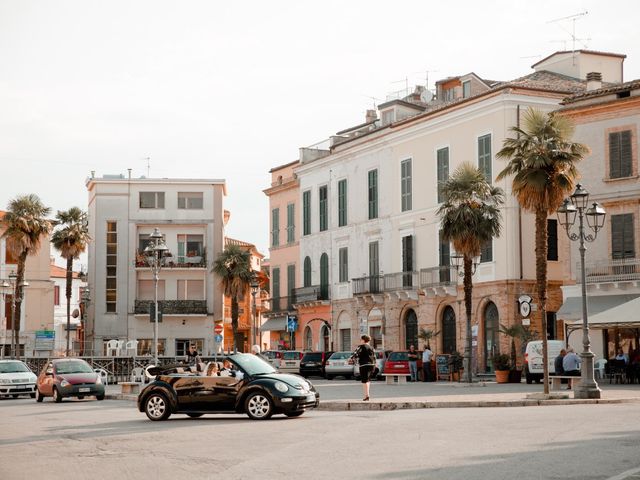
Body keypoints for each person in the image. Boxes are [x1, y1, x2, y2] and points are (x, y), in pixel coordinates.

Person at [351, 334, 376, 401]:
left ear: (363, 340)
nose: (360, 341)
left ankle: (366, 395)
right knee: (368, 380)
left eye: (361, 340)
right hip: (372, 365)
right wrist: (374, 365)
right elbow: (374, 357)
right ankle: (367, 394)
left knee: (364, 381)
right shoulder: (372, 347)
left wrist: (351, 358)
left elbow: (355, 353)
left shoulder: (361, 346)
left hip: (364, 365)